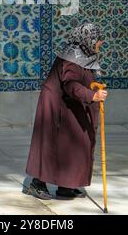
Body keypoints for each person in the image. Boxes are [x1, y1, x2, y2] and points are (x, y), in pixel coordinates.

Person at [25, 22, 108, 200]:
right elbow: (71, 84)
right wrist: (92, 96)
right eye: (98, 40)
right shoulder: (72, 57)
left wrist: (93, 89)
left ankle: (65, 184)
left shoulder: (86, 54)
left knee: (74, 142)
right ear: (88, 39)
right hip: (55, 105)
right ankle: (37, 183)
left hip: (71, 104)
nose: (100, 44)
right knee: (51, 143)